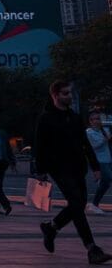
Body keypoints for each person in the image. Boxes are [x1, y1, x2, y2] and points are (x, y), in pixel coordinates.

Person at [36, 80, 112, 264]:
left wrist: (95, 167)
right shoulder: (46, 118)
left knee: (78, 203)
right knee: (77, 204)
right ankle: (92, 248)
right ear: (55, 96)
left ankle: (52, 227)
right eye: (65, 93)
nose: (69, 96)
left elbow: (85, 144)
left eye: (69, 93)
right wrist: (41, 170)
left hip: (77, 167)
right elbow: (40, 145)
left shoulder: (75, 117)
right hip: (59, 168)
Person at [86, 110, 111, 215]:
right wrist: (105, 139)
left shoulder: (104, 130)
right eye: (95, 119)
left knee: (106, 182)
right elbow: (93, 146)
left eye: (99, 119)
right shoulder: (88, 132)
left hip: (108, 159)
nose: (97, 121)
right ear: (90, 121)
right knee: (107, 180)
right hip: (99, 160)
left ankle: (94, 204)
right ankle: (94, 204)